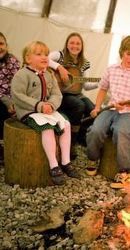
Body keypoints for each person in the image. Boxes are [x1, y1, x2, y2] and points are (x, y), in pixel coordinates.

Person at [11, 41, 80, 185]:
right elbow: (18, 95)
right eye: (39, 54)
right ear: (28, 58)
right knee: (47, 128)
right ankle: (53, 165)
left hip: (46, 110)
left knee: (66, 124)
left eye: (46, 54)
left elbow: (57, 94)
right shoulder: (22, 75)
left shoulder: (49, 75)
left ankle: (65, 161)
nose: (44, 57)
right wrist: (39, 105)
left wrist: (51, 105)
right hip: (29, 111)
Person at [86, 35, 130, 188]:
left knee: (121, 131)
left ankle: (126, 172)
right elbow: (102, 88)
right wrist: (96, 107)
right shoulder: (111, 70)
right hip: (112, 108)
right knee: (96, 129)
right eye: (129, 54)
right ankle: (93, 158)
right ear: (122, 53)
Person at [48, 32, 99, 159]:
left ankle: (81, 137)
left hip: (77, 94)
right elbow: (45, 59)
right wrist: (59, 67)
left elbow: (86, 85)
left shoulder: (85, 63)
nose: (75, 46)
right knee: (79, 105)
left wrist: (100, 82)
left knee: (94, 110)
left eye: (78, 43)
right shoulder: (58, 55)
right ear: (67, 44)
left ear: (82, 46)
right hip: (61, 94)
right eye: (72, 42)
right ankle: (71, 143)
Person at [0, 32, 20, 161]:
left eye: (1, 43)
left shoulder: (13, 61)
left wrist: (15, 102)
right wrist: (7, 102)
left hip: (12, 98)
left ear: (6, 45)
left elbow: (18, 85)